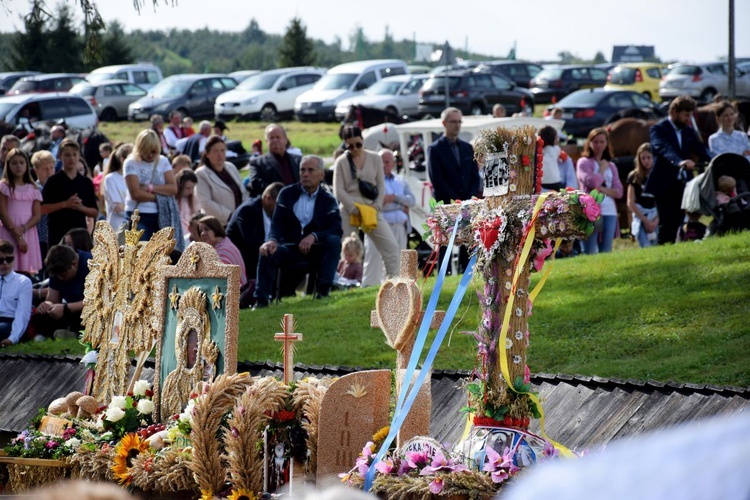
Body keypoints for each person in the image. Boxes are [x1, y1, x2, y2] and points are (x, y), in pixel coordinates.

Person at [253, 155, 342, 308]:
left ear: (321, 175)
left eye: (310, 170)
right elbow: (276, 224)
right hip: (290, 247)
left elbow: (336, 229)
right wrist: (272, 240)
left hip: (315, 250)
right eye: (302, 170)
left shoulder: (328, 199)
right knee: (266, 251)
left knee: (333, 242)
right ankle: (261, 300)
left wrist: (314, 236)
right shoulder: (286, 193)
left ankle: (323, 292)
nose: (305, 174)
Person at [333, 126, 401, 282]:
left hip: (371, 209)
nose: (355, 149)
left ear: (363, 141)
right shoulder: (341, 162)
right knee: (348, 250)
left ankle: (394, 283)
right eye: (350, 146)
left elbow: (381, 185)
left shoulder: (375, 158)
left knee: (390, 247)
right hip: (349, 210)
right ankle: (346, 284)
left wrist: (377, 206)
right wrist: (353, 208)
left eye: (358, 144)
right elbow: (339, 190)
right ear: (345, 145)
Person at [646, 95, 712, 245]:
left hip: (682, 184)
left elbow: (700, 149)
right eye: (686, 115)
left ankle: (672, 251)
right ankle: (663, 253)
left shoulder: (688, 131)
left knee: (678, 221)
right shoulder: (658, 129)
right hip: (663, 183)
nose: (688, 119)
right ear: (674, 112)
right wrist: (679, 161)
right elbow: (663, 148)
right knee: (666, 223)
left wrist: (714, 159)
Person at [427, 107, 481, 274]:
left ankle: (467, 273)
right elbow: (437, 180)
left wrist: (468, 199)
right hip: (446, 204)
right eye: (453, 122)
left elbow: (475, 177)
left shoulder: (467, 148)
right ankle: (445, 275)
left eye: (459, 122)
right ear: (444, 123)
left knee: (467, 241)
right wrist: (456, 200)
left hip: (466, 204)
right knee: (445, 244)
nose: (457, 125)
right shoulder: (435, 149)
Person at [362, 148, 415, 286]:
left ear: (393, 163)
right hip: (378, 224)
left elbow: (412, 201)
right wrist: (400, 205)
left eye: (387, 162)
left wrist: (393, 198)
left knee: (397, 260)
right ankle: (369, 286)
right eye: (381, 162)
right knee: (374, 260)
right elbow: (377, 205)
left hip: (399, 226)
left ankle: (396, 288)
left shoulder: (400, 180)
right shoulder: (371, 181)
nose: (384, 165)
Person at [42, 139, 98, 250]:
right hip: (57, 235)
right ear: (60, 156)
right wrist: (65, 204)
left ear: (79, 156)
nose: (71, 158)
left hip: (79, 236)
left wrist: (80, 207)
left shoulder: (85, 182)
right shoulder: (53, 181)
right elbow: (42, 209)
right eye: (67, 155)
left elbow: (94, 212)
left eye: (74, 155)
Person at [123, 129, 177, 240]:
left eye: (154, 152)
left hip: (160, 214)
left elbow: (173, 189)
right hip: (138, 214)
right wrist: (161, 197)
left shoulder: (163, 161)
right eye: (146, 151)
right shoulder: (131, 163)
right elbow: (136, 194)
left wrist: (149, 188)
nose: (150, 155)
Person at [576, 128, 623, 255]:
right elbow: (592, 183)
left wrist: (601, 189)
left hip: (610, 211)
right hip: (590, 211)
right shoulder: (583, 162)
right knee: (589, 251)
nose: (599, 145)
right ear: (589, 143)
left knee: (606, 251)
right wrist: (602, 170)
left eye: (602, 142)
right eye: (595, 142)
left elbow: (619, 192)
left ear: (607, 143)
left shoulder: (611, 166)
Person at [227, 181, 283, 284]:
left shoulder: (271, 211)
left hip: (259, 253)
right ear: (268, 198)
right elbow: (251, 241)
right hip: (242, 257)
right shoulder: (248, 210)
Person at [32, 244, 91, 340]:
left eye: (63, 275)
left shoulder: (91, 264)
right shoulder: (57, 269)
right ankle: (64, 332)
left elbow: (98, 301)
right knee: (40, 317)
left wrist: (66, 308)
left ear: (74, 264)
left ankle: (75, 333)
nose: (60, 278)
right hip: (68, 309)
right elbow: (52, 299)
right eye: (57, 276)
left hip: (90, 308)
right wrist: (47, 305)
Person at [0, 148, 42, 275]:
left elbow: (37, 214)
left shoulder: (33, 188)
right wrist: (17, 236)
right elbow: (2, 213)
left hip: (27, 231)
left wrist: (23, 228)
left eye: (21, 162)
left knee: (25, 269)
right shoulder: (4, 186)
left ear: (26, 165)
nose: (18, 166)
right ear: (8, 165)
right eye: (14, 163)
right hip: (9, 231)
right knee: (7, 264)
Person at [194, 135, 247, 224]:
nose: (220, 155)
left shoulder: (231, 167)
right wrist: (231, 217)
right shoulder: (201, 174)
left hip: (240, 220)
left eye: (222, 151)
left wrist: (244, 211)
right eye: (215, 151)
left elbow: (243, 191)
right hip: (218, 225)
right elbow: (206, 203)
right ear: (207, 154)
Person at [247, 124, 302, 196]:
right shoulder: (258, 163)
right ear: (266, 141)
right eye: (271, 138)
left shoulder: (298, 161)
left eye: (278, 137)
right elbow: (256, 183)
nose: (275, 140)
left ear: (285, 140)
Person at [0, 240, 33, 347]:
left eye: (9, 259)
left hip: (10, 322)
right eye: (0, 260)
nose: (5, 263)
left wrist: (12, 338)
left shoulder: (23, 282)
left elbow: (22, 314)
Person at [198, 215, 247, 287]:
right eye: (200, 231)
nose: (202, 233)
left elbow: (216, 282)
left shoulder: (223, 251)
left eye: (207, 229)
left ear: (215, 229)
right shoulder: (224, 242)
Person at [627, 143, 659, 248]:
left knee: (656, 246)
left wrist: (654, 222)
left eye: (649, 157)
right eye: (643, 158)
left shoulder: (659, 175)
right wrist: (645, 221)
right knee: (645, 247)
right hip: (640, 215)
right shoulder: (634, 176)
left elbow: (665, 201)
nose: (646, 161)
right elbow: (630, 202)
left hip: (656, 215)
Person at [31, 150, 55, 261]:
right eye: (45, 169)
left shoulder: (58, 187)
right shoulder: (33, 189)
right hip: (38, 239)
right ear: (36, 170)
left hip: (55, 238)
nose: (49, 172)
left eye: (51, 168)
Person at [102, 143, 132, 232]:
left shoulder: (137, 178)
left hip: (135, 228)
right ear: (123, 159)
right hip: (118, 228)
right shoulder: (110, 179)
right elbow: (118, 208)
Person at [539, 125, 565, 191]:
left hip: (542, 182)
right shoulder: (556, 149)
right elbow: (563, 157)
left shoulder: (539, 150)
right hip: (555, 182)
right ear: (553, 138)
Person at [175, 168, 200, 235]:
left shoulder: (194, 198)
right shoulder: (173, 200)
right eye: (187, 188)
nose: (191, 191)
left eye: (193, 188)